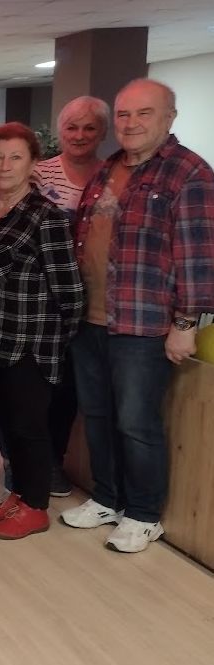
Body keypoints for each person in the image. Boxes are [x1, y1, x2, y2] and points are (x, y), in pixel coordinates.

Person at [62, 78, 214, 553]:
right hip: (91, 318)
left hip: (144, 324)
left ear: (169, 117)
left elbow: (197, 256)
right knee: (97, 415)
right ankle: (107, 498)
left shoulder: (189, 173)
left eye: (143, 113)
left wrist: (185, 324)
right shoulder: (107, 170)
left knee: (135, 422)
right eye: (124, 114)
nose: (130, 123)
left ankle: (145, 515)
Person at [0, 123, 84, 540]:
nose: (5, 166)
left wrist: (56, 342)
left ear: (33, 163)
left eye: (15, 157)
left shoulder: (46, 216)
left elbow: (69, 290)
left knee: (30, 427)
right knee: (6, 424)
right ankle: (17, 494)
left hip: (31, 343)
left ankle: (35, 507)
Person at [32, 95, 110, 498]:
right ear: (60, 130)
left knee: (71, 389)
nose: (79, 135)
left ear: (103, 132)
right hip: (41, 301)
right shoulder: (38, 174)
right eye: (71, 127)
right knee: (39, 385)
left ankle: (54, 463)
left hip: (93, 301)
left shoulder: (112, 176)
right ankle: (26, 461)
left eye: (89, 127)